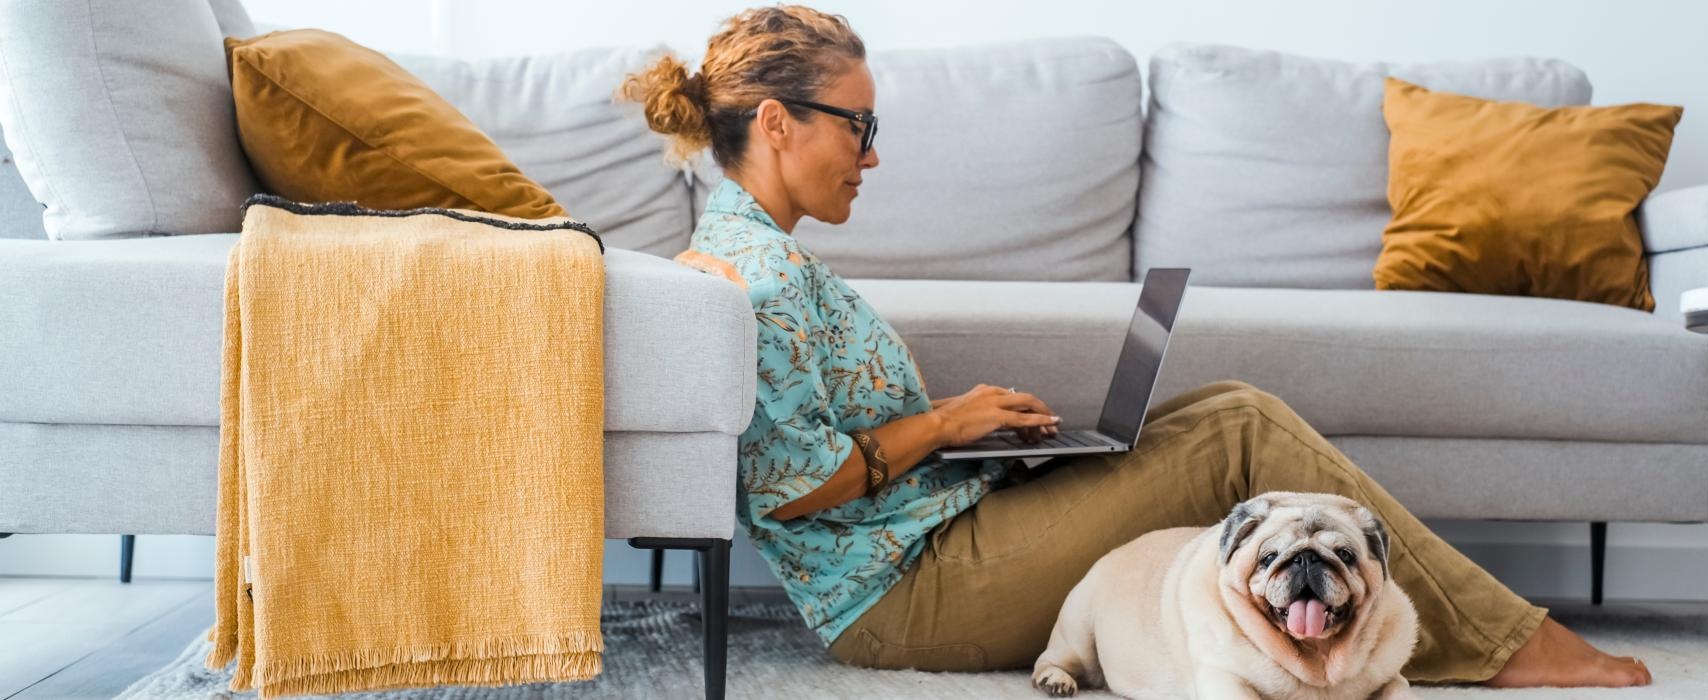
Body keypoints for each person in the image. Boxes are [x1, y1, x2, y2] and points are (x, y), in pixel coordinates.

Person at [620, 5, 1651, 688]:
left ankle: (1481, 635)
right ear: (777, 123)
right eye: (859, 123)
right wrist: (945, 424)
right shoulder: (750, 276)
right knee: (1243, 427)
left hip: (938, 535)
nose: (874, 151)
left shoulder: (759, 255)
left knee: (1227, 402)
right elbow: (785, 490)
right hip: (904, 596)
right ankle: (1516, 645)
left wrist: (978, 440)